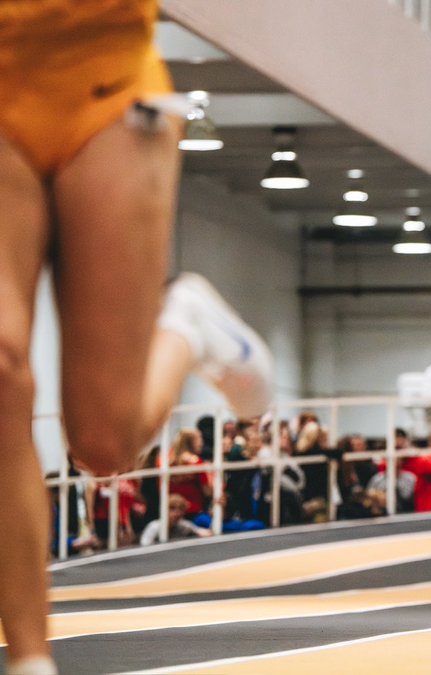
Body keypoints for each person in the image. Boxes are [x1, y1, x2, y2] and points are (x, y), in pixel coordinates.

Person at [0, 6, 274, 673]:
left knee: (103, 443)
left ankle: (185, 325)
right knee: (3, 366)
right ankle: (30, 658)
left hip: (108, 88)